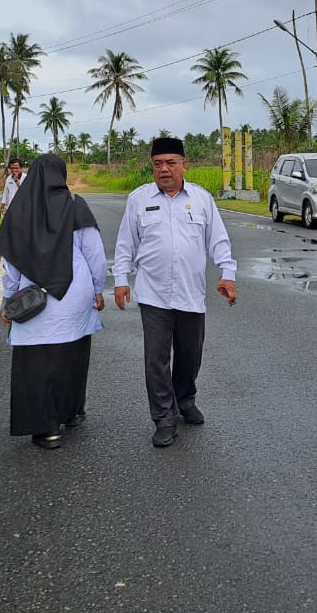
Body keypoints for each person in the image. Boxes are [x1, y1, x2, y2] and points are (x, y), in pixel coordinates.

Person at [113, 136, 237, 448]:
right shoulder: (138, 199)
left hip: (190, 293)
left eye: (170, 163)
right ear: (152, 167)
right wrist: (120, 279)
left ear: (184, 165)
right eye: (158, 164)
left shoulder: (201, 198)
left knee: (190, 354)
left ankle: (185, 399)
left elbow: (218, 240)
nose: (164, 169)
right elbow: (125, 243)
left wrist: (228, 273)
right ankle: (164, 418)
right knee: (156, 359)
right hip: (153, 294)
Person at [0, 153, 106, 450]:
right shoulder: (74, 205)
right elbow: (94, 254)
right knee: (72, 353)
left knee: (36, 362)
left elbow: (12, 265)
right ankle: (71, 412)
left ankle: (45, 429)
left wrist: (9, 300)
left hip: (36, 299)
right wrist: (98, 289)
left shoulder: (20, 210)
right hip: (74, 293)